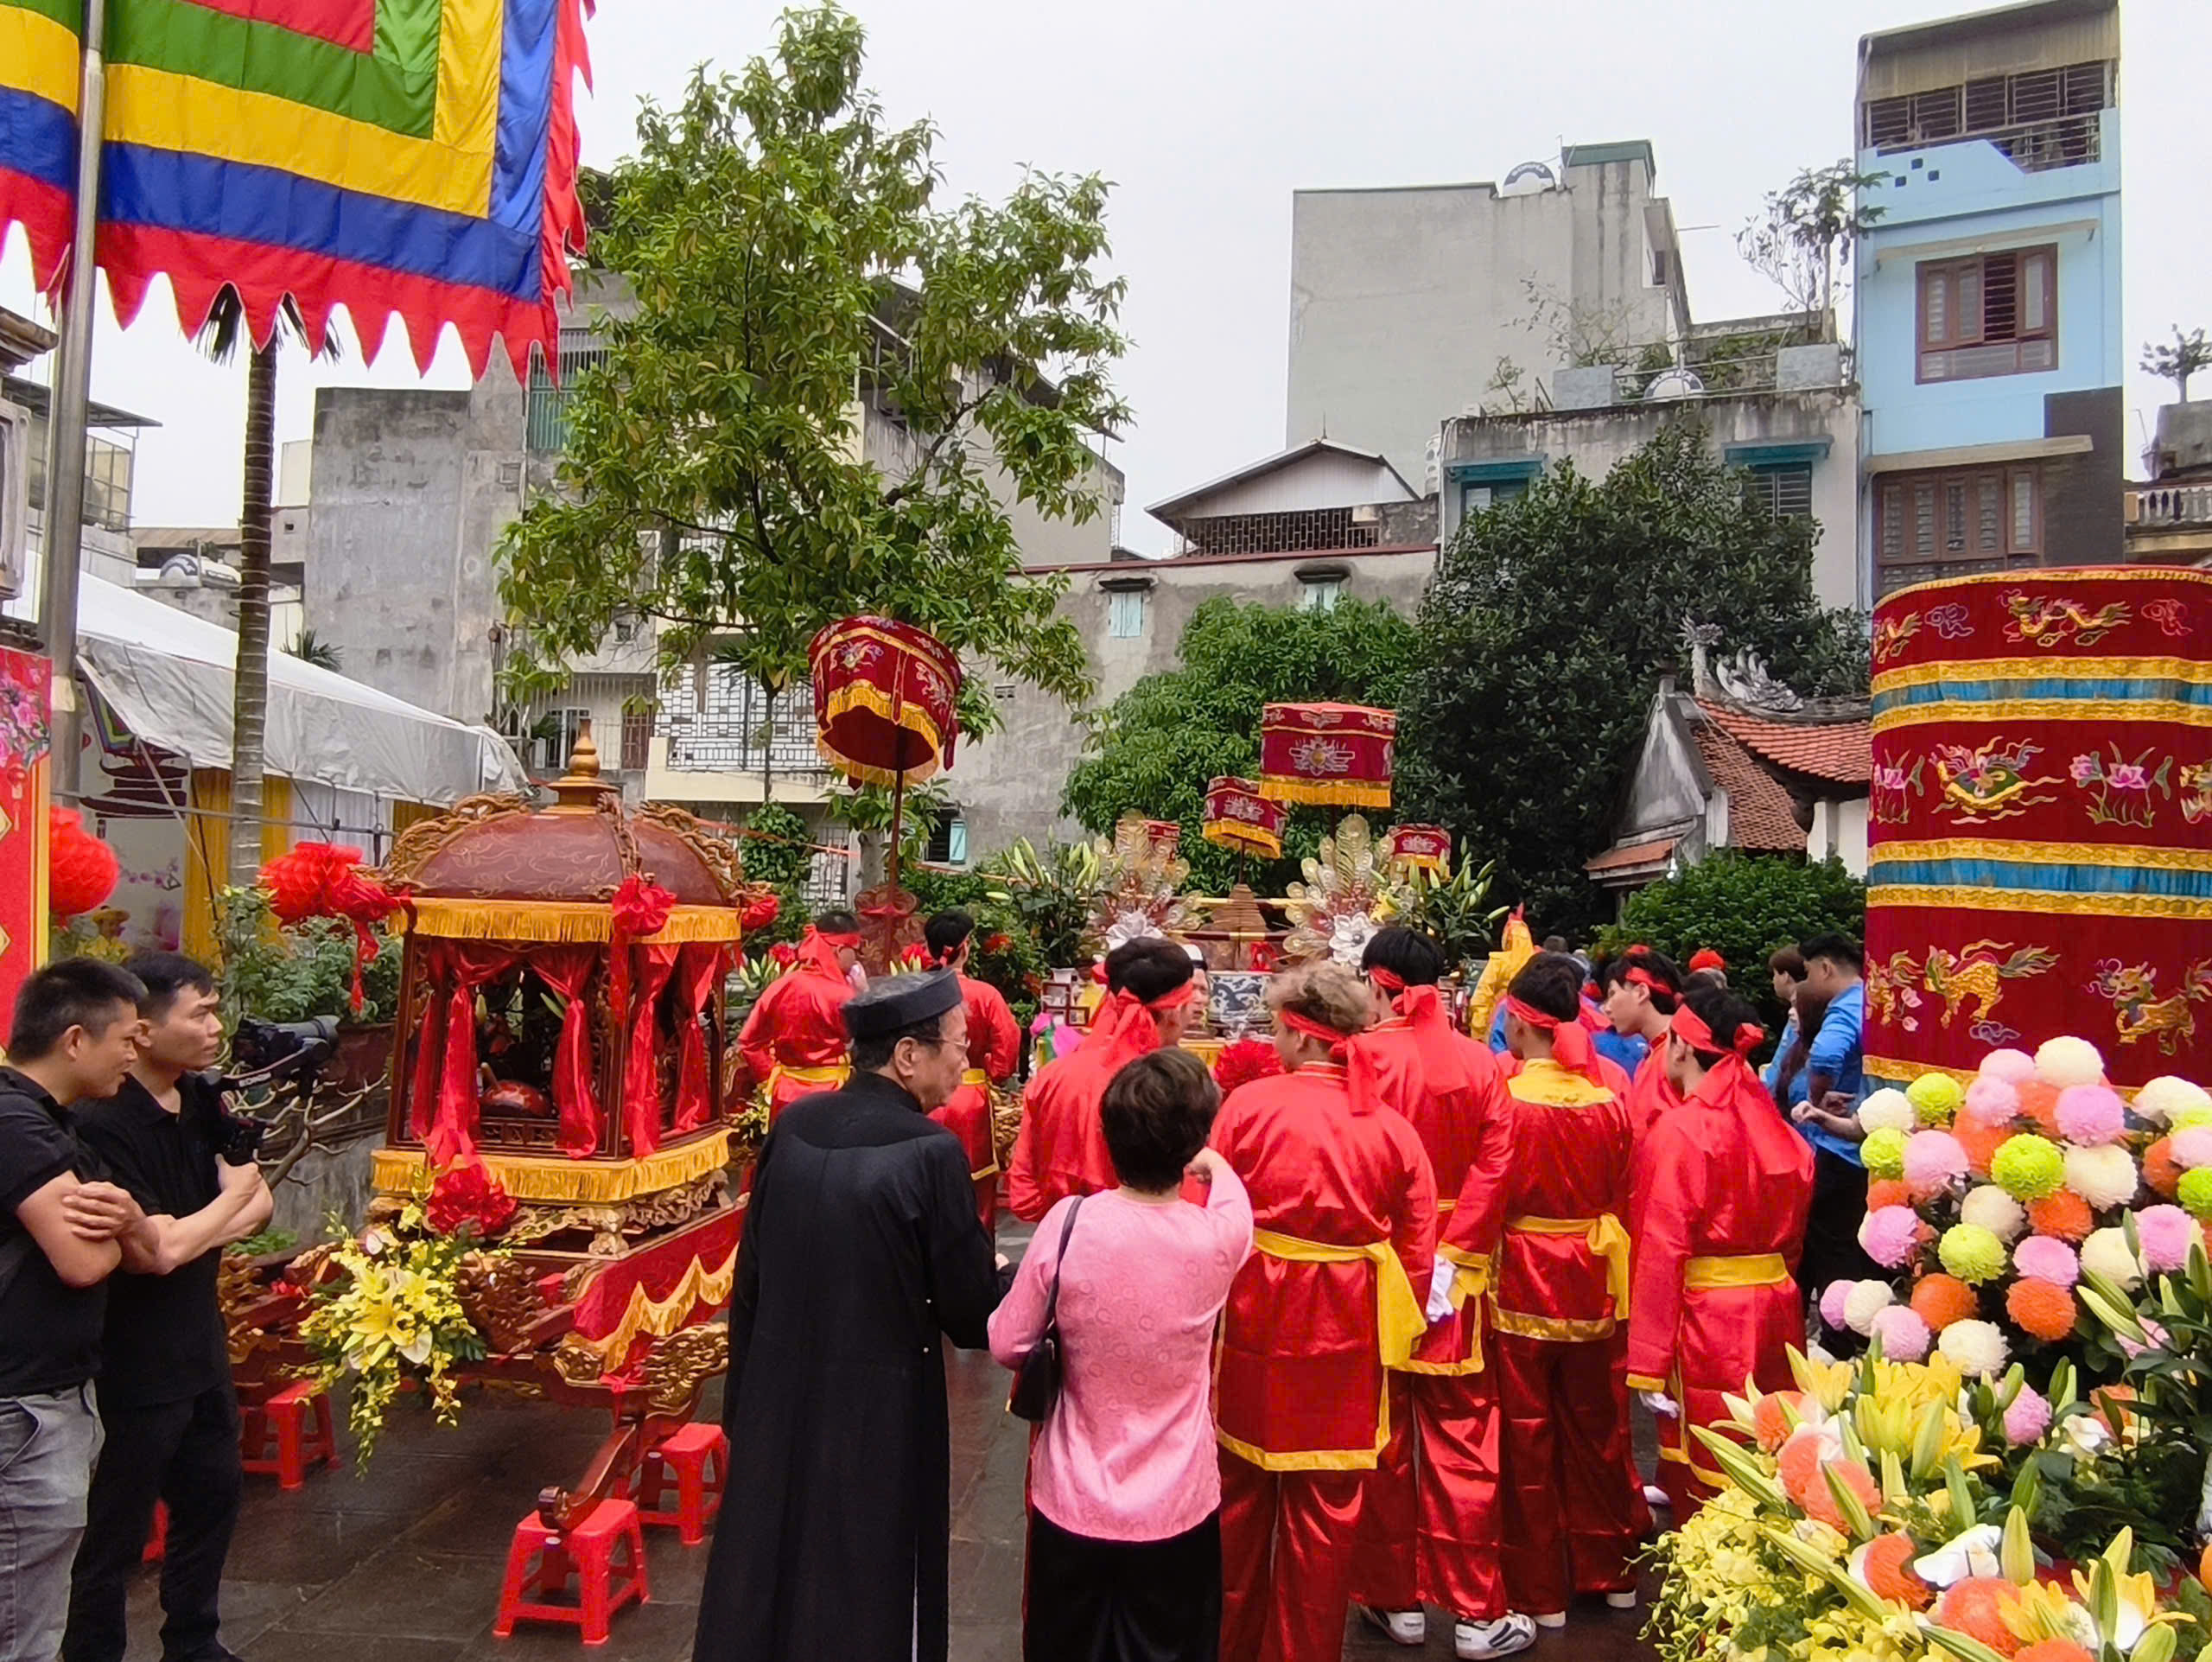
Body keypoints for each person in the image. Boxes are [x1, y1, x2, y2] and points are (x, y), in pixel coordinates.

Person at [693, 970, 1007, 1662]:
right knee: (862, 1577)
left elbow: (749, 1282)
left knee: (766, 1566)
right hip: (879, 1410)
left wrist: (740, 1410)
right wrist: (1016, 1280)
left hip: (775, 1395)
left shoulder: (794, 1128)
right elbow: (968, 1313)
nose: (965, 1058)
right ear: (906, 1056)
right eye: (957, 1044)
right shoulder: (931, 1153)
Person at [989, 1049, 1253, 1662]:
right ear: (1192, 1144)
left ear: (1108, 1137)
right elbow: (1238, 1207)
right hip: (1178, 1498)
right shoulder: (1215, 1239)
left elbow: (1008, 1342)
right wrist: (1213, 1162)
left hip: (1073, 1494)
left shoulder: (1070, 1222)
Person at [1211, 963, 1437, 1662]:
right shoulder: (1394, 1129)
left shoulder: (1246, 1109)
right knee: (1327, 1515)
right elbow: (1419, 1245)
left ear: (1299, 1034)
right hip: (1348, 1329)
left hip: (1255, 1318)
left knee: (1239, 1505)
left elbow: (1208, 1217)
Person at [64, 953, 273, 1662]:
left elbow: (257, 1204)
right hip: (132, 1357)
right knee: (114, 1531)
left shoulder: (203, 1097)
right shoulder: (101, 1121)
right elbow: (151, 1252)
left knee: (213, 1497)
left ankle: (194, 1639)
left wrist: (200, 1225)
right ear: (144, 1031)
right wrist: (226, 1205)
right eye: (201, 1012)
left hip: (200, 1344)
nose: (216, 1027)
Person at [1441, 952, 1639, 1632]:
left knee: (1524, 1437)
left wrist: (1456, 1261)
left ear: (1519, 1023)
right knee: (1600, 1430)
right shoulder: (1611, 1095)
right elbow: (1626, 1192)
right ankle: (1612, 1573)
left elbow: (1488, 1190)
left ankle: (1537, 1593)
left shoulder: (1508, 1098)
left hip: (1524, 1272)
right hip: (1592, 1272)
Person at [1346, 929, 1526, 1661]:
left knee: (1384, 1439)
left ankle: (1396, 1599)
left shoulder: (1359, 1057)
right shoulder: (1481, 1062)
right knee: (1464, 1443)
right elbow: (1498, 1165)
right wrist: (1453, 1256)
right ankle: (1480, 1612)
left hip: (1379, 1267)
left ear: (1381, 984)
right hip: (1459, 1278)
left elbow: (1351, 1158)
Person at [0, 960, 149, 1662]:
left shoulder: (52, 1122)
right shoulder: (14, 1123)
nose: (132, 1053)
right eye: (125, 1037)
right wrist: (126, 1227)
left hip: (47, 1401)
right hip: (22, 1412)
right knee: (20, 1628)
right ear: (74, 1040)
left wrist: (123, 1224)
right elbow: (84, 1259)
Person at [1626, 983, 1813, 1521]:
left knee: (1712, 1461)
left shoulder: (1682, 1131)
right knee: (1770, 1448)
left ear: (1680, 1048)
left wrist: (1648, 1360)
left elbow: (1662, 1245)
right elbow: (1796, 1232)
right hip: (1777, 1304)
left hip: (1709, 1316)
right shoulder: (1774, 1127)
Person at [1008, 939, 1198, 1223]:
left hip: (1064, 1239)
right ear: (1176, 1010)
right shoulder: (1173, 1087)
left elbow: (1024, 1194)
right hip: (1146, 1246)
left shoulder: (1053, 1075)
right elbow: (1191, 1197)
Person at [919, 910, 1021, 1234]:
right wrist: (990, 1070)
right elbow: (1008, 1047)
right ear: (965, 947)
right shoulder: (985, 994)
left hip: (921, 1099)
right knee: (976, 1193)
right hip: (968, 1101)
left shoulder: (915, 992)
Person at [1788, 934, 1875, 1311]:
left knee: (1831, 1247)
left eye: (1807, 974)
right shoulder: (1875, 1001)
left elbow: (1825, 1055)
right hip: (1866, 1142)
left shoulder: (1844, 1008)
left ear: (1825, 968)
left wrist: (1815, 1098)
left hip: (1836, 1148)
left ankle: (1839, 1337)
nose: (1805, 984)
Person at [736, 909, 862, 1119]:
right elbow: (866, 1043)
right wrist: (864, 994)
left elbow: (749, 1042)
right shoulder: (844, 996)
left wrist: (770, 1077)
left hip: (785, 1094)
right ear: (840, 950)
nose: (857, 959)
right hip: (832, 1094)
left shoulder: (779, 987)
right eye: (856, 950)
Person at [1602, 946, 1684, 1140]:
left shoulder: (1682, 1051)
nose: (1606, 1008)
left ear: (1641, 992)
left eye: (1612, 994)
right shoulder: (1658, 1050)